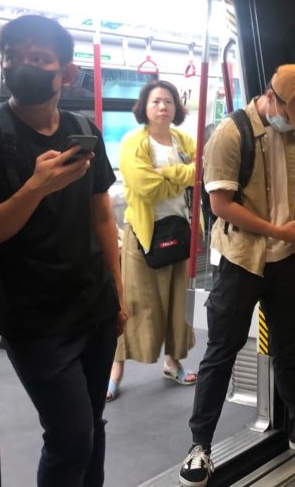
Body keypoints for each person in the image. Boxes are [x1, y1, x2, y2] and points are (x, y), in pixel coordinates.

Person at [0, 15, 125, 486]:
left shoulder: (82, 128)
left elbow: (101, 217)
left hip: (93, 306)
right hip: (35, 320)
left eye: (38, 59)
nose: (21, 67)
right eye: (12, 58)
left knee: (92, 427)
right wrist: (35, 186)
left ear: (66, 74)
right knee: (71, 436)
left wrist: (117, 290)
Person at [179, 65, 295, 487]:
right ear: (271, 99)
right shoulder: (230, 133)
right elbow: (221, 204)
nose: (294, 125)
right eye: (291, 115)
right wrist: (280, 232)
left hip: (287, 259)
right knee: (222, 350)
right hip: (242, 259)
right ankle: (200, 446)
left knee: (290, 349)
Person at [108, 80, 198, 402]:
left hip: (180, 231)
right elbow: (144, 186)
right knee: (134, 304)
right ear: (144, 107)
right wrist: (181, 175)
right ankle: (115, 370)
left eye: (169, 102)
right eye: (156, 101)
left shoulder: (184, 140)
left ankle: (173, 362)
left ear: (176, 108)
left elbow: (200, 171)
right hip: (145, 235)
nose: (163, 107)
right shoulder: (134, 141)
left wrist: (168, 175)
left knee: (178, 304)